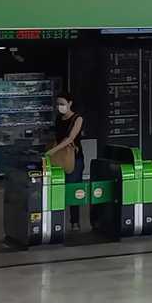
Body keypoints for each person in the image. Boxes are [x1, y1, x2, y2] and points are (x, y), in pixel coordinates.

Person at [46, 92, 84, 231]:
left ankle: (75, 221)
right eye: (57, 104)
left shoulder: (78, 119)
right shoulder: (58, 118)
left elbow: (70, 138)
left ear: (70, 103)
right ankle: (57, 221)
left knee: (73, 190)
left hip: (74, 159)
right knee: (57, 189)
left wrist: (53, 150)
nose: (59, 107)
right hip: (58, 158)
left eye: (62, 104)